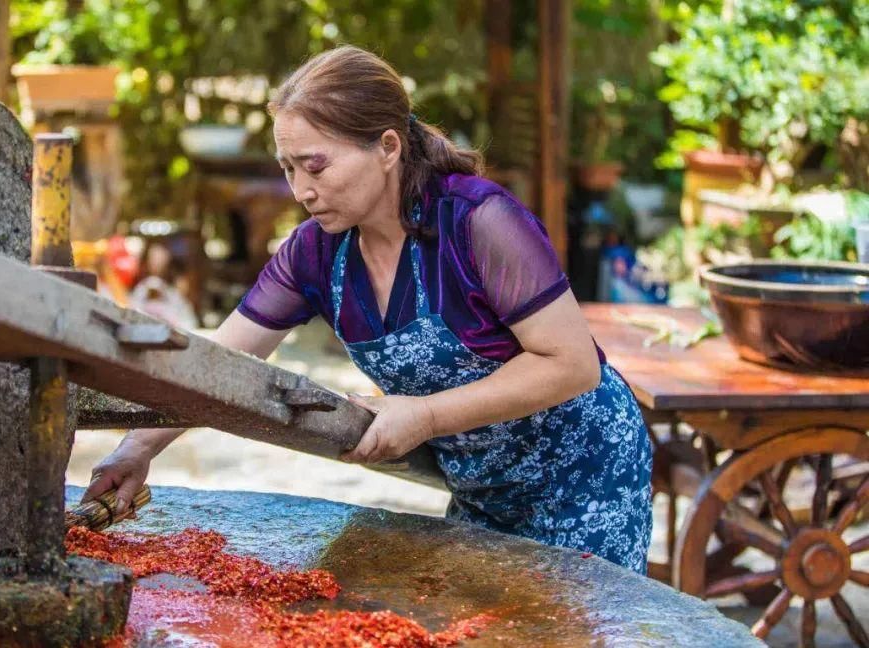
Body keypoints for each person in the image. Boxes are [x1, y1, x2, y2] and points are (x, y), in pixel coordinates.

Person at [85, 45, 652, 573]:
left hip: (585, 475)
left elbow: (572, 363)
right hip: (484, 489)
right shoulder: (316, 252)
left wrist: (426, 416)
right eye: (287, 168)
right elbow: (215, 364)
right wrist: (137, 446)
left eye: (316, 166)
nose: (300, 190)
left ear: (386, 147)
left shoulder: (479, 223)